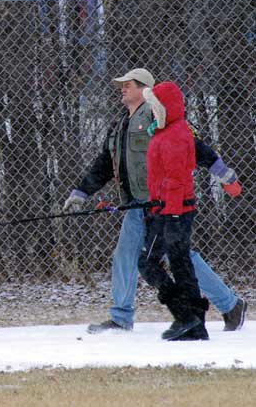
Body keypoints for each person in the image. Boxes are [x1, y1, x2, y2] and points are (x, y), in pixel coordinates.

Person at [63, 68, 246, 334]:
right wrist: (81, 192)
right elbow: (104, 164)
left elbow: (193, 146)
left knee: (179, 257)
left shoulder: (158, 116)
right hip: (138, 205)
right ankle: (121, 317)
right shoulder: (120, 124)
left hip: (162, 204)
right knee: (125, 255)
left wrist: (221, 171)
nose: (122, 89)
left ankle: (229, 304)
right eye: (121, 85)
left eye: (128, 84)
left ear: (144, 89)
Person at [138, 81, 207, 340]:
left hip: (171, 211)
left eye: (155, 107)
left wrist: (169, 211)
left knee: (147, 262)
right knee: (180, 263)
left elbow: (177, 180)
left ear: (165, 108)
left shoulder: (173, 135)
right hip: (169, 208)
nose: (152, 112)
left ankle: (183, 315)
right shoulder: (167, 132)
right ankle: (195, 323)